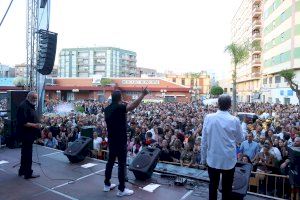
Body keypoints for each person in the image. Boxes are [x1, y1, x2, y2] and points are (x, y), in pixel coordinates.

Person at [103, 88, 149, 197]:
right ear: (120, 98)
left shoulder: (107, 109)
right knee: (121, 165)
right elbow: (133, 106)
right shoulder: (120, 107)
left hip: (111, 140)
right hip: (120, 140)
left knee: (110, 162)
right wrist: (142, 94)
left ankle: (106, 185)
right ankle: (121, 189)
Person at [201, 95, 244, 200]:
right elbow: (240, 139)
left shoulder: (208, 118)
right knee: (227, 189)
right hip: (228, 160)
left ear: (218, 104)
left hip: (212, 159)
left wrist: (203, 158)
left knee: (213, 186)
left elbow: (204, 140)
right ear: (230, 105)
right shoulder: (235, 120)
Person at [17, 91, 41, 179]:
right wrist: (35, 125)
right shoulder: (23, 106)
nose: (35, 100)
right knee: (28, 154)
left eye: (36, 98)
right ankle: (28, 173)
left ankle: (22, 171)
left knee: (24, 153)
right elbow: (23, 122)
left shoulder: (30, 105)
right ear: (28, 97)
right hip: (26, 134)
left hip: (28, 134)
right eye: (34, 98)